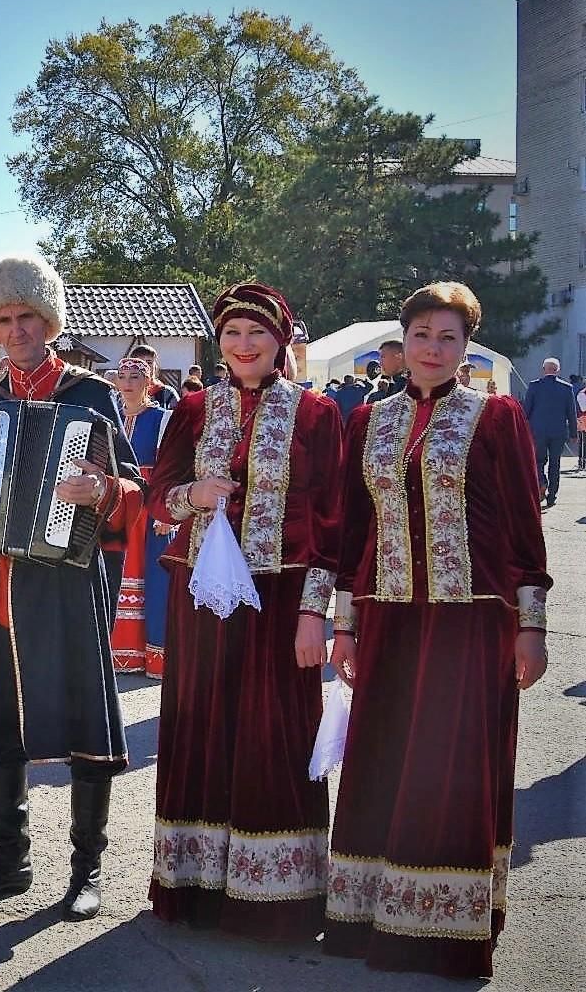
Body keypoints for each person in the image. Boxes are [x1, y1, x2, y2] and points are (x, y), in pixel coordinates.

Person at [324, 282, 550, 980]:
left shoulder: (496, 415)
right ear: (401, 339)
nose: (431, 347)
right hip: (389, 617)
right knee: (386, 760)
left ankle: (446, 931)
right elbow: (350, 532)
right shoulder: (367, 420)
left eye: (447, 337)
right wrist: (345, 625)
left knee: (453, 766)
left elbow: (521, 523)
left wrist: (530, 625)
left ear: (464, 347)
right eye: (421, 333)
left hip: (472, 619)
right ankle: (372, 915)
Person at [0, 258, 142, 922]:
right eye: (3, 319)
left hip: (67, 579)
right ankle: (7, 859)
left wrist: (101, 489)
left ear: (47, 321)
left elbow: (134, 490)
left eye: (26, 316)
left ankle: (87, 869)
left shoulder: (90, 394)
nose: (16, 329)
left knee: (85, 720)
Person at [145, 283, 344, 941]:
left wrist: (314, 613)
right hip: (204, 598)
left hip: (281, 597)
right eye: (230, 332)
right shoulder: (194, 408)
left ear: (279, 339)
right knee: (201, 728)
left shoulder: (315, 413)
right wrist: (190, 494)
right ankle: (196, 884)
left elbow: (331, 525)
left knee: (274, 734)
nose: (242, 344)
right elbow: (155, 498)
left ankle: (274, 895)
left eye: (255, 331)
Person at [106, 358, 175, 677]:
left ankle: (156, 654)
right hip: (119, 507)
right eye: (123, 377)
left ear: (149, 382)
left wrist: (168, 512)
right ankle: (119, 651)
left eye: (136, 377)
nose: (128, 382)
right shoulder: (110, 418)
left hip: (151, 508)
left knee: (155, 579)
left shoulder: (162, 420)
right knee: (114, 575)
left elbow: (172, 468)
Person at [522, 357, 574, 508]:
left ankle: (541, 482)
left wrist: (523, 429)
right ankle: (552, 495)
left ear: (544, 369)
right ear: (558, 370)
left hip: (537, 430)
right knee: (555, 463)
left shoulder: (534, 386)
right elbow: (570, 412)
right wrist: (573, 434)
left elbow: (526, 410)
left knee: (538, 461)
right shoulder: (567, 388)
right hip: (558, 431)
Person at [125, 344, 178, 410]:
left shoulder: (167, 393)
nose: (145, 366)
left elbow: (179, 418)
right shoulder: (125, 393)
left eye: (149, 362)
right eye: (140, 363)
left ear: (155, 366)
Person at [365, 339, 407, 403]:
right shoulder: (397, 384)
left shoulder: (408, 385)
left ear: (399, 357)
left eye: (383, 357)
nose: (380, 363)